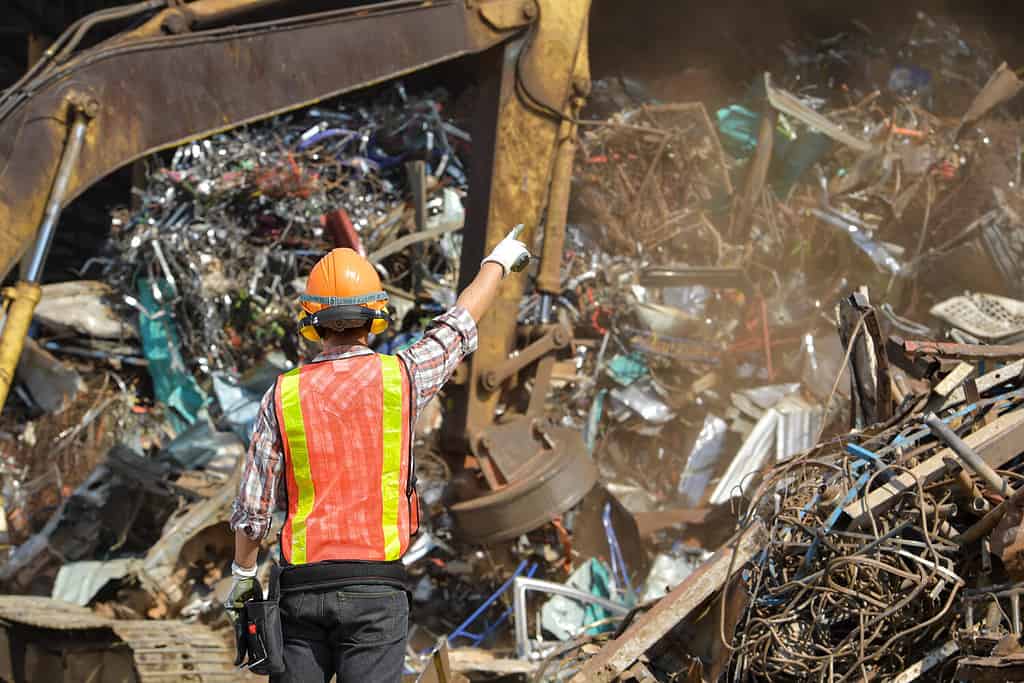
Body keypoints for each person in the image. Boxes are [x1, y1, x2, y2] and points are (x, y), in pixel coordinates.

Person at [227, 228, 530, 682]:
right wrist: (499, 261)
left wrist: (243, 573)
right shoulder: (403, 379)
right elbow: (460, 323)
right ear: (375, 318)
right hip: (377, 591)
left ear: (313, 322)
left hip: (301, 591)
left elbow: (255, 509)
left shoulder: (283, 394)